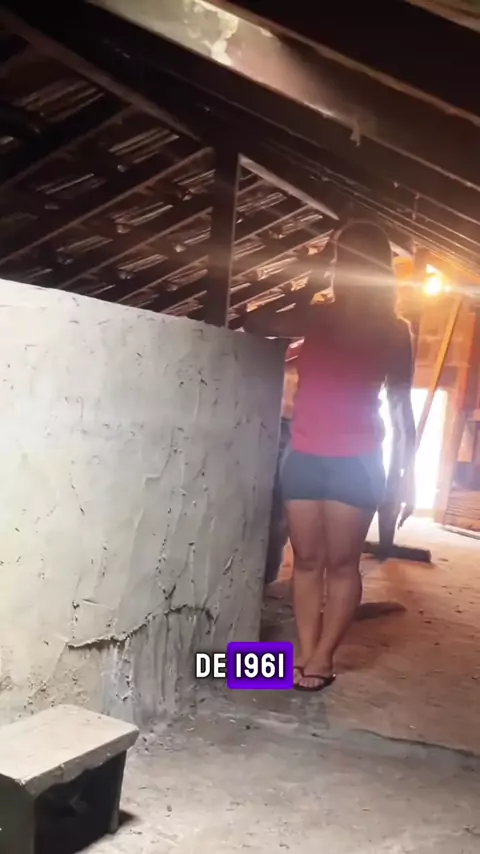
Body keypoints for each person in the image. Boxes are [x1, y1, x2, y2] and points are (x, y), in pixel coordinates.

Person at [244, 220, 416, 692]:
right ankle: (304, 652)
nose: (344, 266)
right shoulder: (316, 315)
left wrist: (407, 476)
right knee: (306, 561)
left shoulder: (395, 330)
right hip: (305, 455)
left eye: (352, 258)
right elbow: (257, 323)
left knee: (341, 564)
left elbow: (401, 408)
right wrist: (314, 276)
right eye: (340, 258)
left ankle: (322, 657)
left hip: (357, 460)